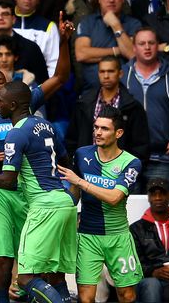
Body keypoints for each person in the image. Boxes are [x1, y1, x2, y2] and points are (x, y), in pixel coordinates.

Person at [0, 80, 76, 303]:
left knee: (25, 278)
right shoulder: (47, 126)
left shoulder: (16, 134)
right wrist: (73, 194)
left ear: (13, 104)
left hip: (43, 207)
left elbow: (8, 181)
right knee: (55, 276)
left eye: (1, 101)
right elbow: (66, 162)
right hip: (65, 203)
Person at [56, 106, 142, 303]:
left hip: (118, 237)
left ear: (118, 133)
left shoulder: (131, 162)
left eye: (104, 129)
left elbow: (114, 198)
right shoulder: (82, 155)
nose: (98, 132)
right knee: (86, 298)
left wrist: (79, 181)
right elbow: (74, 195)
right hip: (87, 237)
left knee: (127, 296)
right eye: (96, 127)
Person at [123, 27, 169, 184]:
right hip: (126, 157)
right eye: (142, 43)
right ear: (134, 47)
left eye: (151, 43)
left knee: (159, 207)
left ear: (158, 46)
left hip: (162, 157)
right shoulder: (123, 75)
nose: (147, 47)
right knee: (126, 206)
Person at [65, 56, 149, 161]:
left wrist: (128, 170)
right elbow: (72, 139)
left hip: (119, 171)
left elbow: (140, 146)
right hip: (86, 166)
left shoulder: (133, 107)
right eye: (102, 71)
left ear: (120, 74)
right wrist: (76, 162)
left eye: (110, 71)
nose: (106, 76)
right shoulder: (83, 103)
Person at [75, 0, 140, 92]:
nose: (111, 0)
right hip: (91, 93)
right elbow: (81, 54)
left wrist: (116, 26)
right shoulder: (88, 22)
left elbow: (132, 55)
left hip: (126, 91)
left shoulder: (133, 24)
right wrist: (117, 51)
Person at [0, 0, 49, 84]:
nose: (0, 18)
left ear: (13, 19)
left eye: (5, 14)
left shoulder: (30, 48)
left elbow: (43, 83)